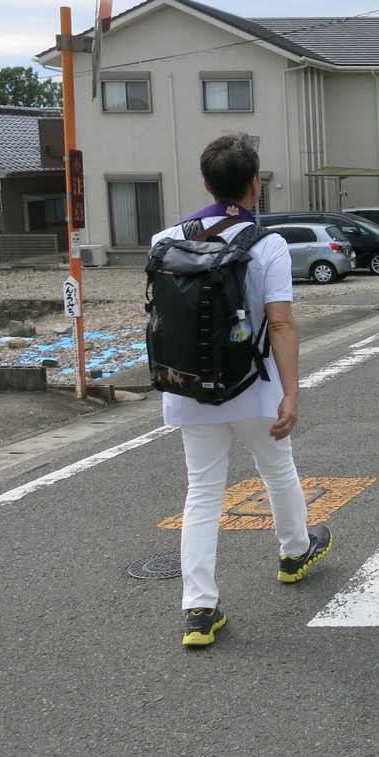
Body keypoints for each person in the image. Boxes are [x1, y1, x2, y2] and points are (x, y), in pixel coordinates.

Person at [151, 134, 332, 648]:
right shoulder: (267, 244)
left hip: (188, 387)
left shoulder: (165, 240)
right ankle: (294, 552)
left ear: (206, 184)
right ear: (255, 184)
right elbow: (281, 322)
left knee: (203, 492)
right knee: (277, 469)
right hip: (253, 387)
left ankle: (199, 610)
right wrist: (292, 393)